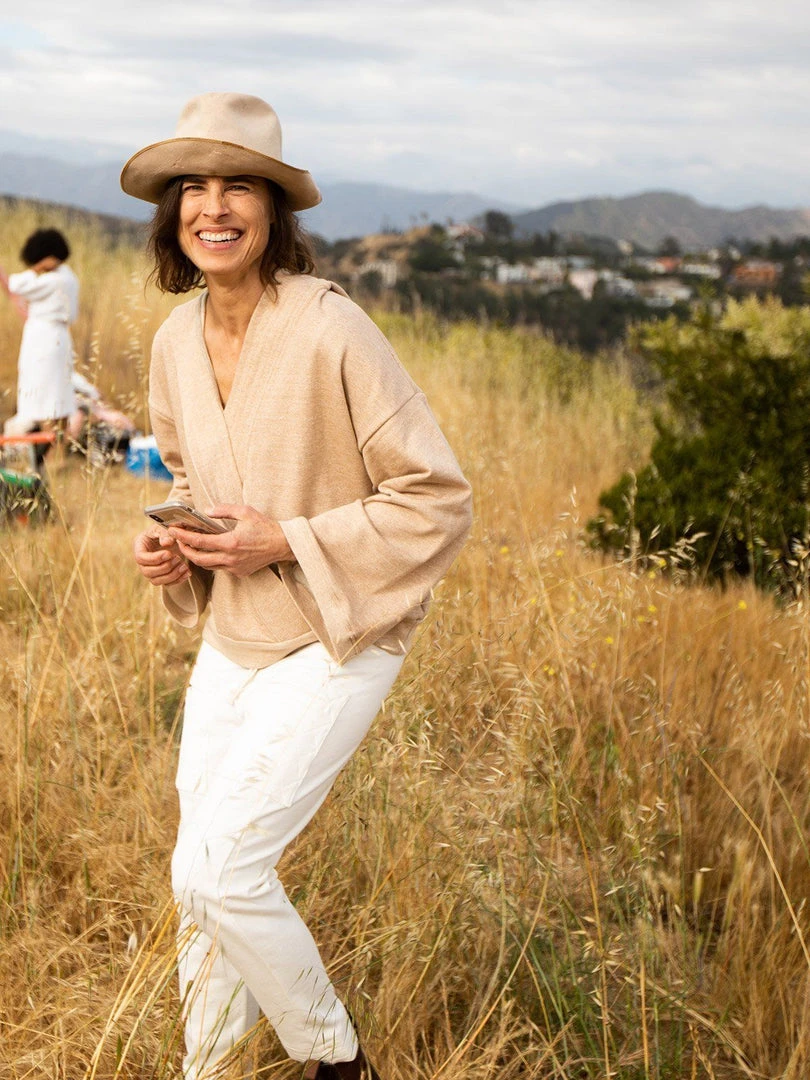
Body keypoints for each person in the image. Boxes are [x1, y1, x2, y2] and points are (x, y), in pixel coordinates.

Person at [124, 93, 472, 1080]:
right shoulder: (174, 341)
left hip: (337, 634)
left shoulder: (332, 328)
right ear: (174, 213)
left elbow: (438, 498)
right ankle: (211, 1067)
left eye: (239, 185)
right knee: (197, 881)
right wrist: (176, 546)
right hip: (231, 635)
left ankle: (337, 1061)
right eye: (195, 187)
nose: (214, 206)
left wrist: (286, 538)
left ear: (273, 210)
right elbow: (191, 481)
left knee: (221, 869)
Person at [0, 228, 79, 447]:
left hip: (45, 343)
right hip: (55, 339)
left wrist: (36, 269)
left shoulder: (55, 280)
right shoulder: (68, 276)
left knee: (47, 399)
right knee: (56, 396)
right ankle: (54, 451)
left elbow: (16, 285)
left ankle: (50, 449)